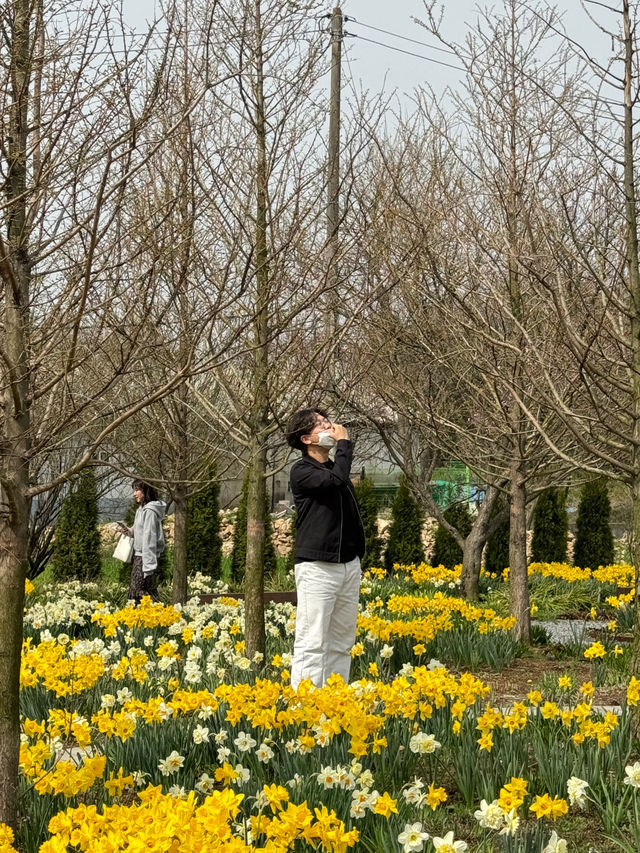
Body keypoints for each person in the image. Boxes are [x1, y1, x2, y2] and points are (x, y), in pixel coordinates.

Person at [285, 408, 365, 690]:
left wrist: (357, 556)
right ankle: (304, 712)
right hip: (318, 567)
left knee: (342, 642)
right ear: (307, 439)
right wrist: (344, 445)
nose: (330, 426)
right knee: (313, 641)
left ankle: (334, 703)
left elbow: (339, 484)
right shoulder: (302, 471)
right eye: (321, 425)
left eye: (327, 421)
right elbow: (334, 483)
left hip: (347, 566)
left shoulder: (334, 470)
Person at [120, 479, 166, 603]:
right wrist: (128, 531)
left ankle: (156, 613)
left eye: (137, 490)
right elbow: (136, 531)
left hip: (144, 558)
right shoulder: (140, 510)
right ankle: (158, 617)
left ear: (146, 491)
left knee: (137, 591)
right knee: (148, 590)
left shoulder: (150, 512)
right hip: (139, 556)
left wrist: (148, 566)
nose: (134, 494)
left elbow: (149, 539)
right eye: (133, 490)